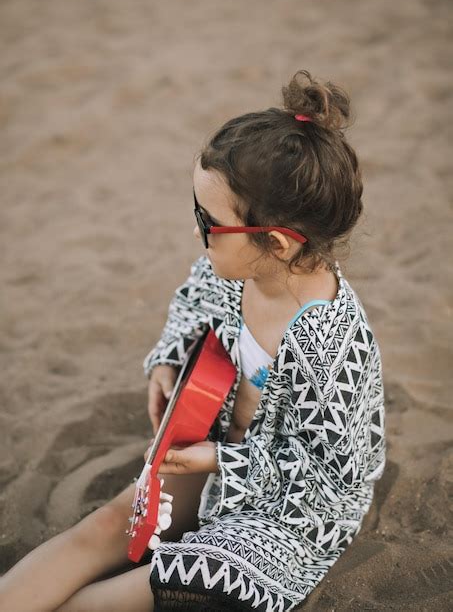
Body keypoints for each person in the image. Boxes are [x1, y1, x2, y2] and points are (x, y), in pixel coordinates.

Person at [0, 69, 386, 611]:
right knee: (110, 523)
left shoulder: (331, 344)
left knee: (161, 582)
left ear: (273, 242)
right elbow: (189, 305)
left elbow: (328, 480)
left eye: (209, 222)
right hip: (210, 442)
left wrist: (222, 461)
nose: (199, 232)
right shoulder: (232, 273)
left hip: (284, 514)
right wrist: (166, 362)